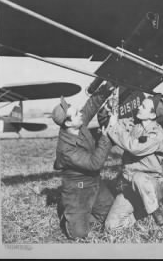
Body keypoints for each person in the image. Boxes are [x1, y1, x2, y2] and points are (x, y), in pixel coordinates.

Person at [51, 82, 115, 239]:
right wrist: (106, 137)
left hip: (94, 182)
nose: (81, 114)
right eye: (76, 114)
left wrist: (106, 89)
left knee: (109, 215)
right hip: (77, 188)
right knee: (79, 234)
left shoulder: (76, 124)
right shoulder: (66, 149)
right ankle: (69, 213)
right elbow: (95, 163)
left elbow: (91, 105)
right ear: (68, 122)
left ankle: (84, 213)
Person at [101, 95, 163, 230]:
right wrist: (108, 110)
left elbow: (134, 147)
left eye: (143, 106)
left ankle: (155, 211)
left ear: (153, 114)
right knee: (111, 226)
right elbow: (112, 123)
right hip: (131, 187)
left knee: (139, 177)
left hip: (152, 186)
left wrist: (114, 127)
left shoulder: (157, 134)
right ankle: (140, 213)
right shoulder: (133, 124)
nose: (139, 107)